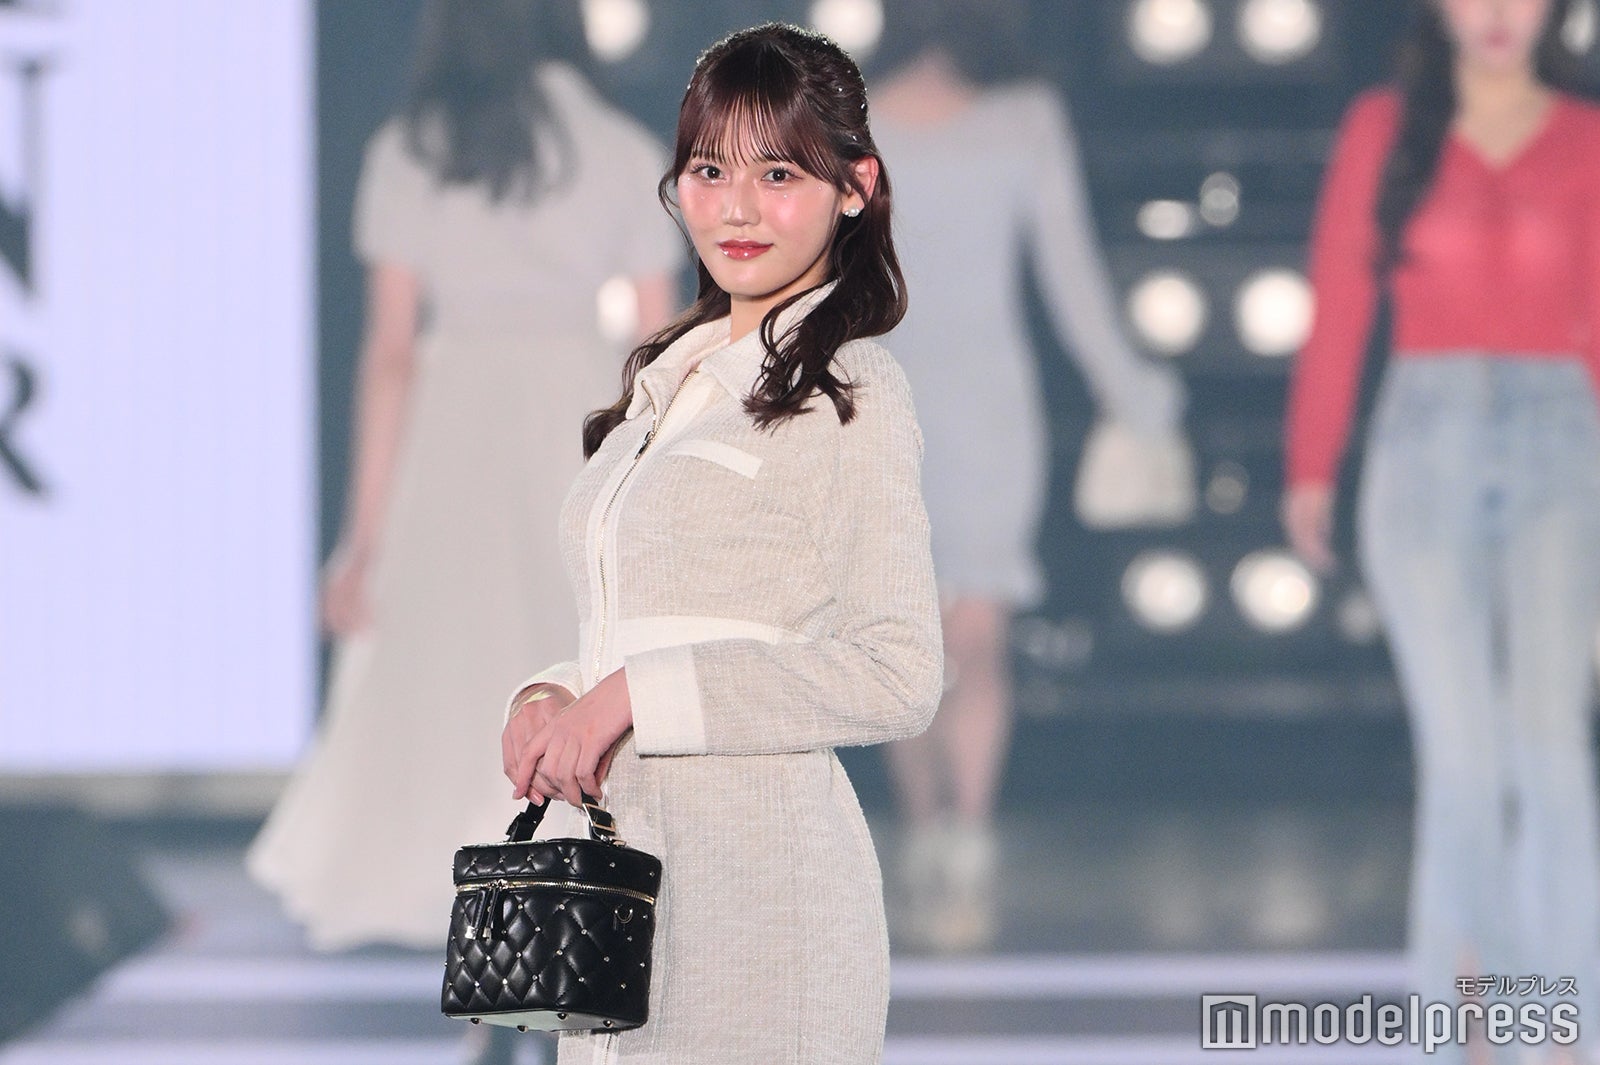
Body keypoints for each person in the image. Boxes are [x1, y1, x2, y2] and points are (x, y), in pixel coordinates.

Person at [498, 23, 943, 1065]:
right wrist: (552, 694)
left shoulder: (853, 392)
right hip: (612, 905)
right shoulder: (670, 384)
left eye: (777, 172)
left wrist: (634, 695)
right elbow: (648, 623)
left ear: (855, 186)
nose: (736, 207)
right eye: (709, 170)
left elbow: (899, 672)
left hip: (764, 911)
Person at [248, 0, 680, 955]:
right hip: (576, 423)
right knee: (566, 651)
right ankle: (561, 903)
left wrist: (363, 542)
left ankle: (471, 915)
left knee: (454, 667)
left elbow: (391, 352)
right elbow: (656, 350)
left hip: (451, 431)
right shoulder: (616, 147)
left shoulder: (412, 151)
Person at [1283, 1, 1600, 1061]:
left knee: (1550, 743)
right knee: (1463, 755)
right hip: (1424, 441)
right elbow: (1339, 297)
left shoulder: (1587, 138)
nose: (1498, 13)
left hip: (1563, 441)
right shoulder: (1384, 126)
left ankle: (1561, 1023)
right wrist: (1312, 463)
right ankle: (1472, 1019)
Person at [868, 0, 1187, 950]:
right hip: (942, 407)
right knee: (951, 640)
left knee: (923, 640)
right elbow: (1072, 277)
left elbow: (1067, 271)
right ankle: (953, 839)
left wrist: (1135, 397)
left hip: (910, 405)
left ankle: (943, 838)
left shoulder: (867, 119)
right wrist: (1138, 396)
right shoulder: (992, 118)